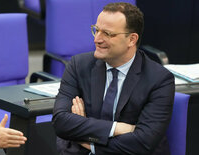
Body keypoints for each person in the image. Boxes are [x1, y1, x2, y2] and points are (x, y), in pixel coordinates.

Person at [52, 2, 175, 155]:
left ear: (132, 39)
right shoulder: (79, 66)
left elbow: (143, 142)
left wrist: (86, 138)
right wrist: (118, 128)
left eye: (107, 34)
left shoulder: (159, 79)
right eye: (96, 30)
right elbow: (61, 122)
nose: (97, 39)